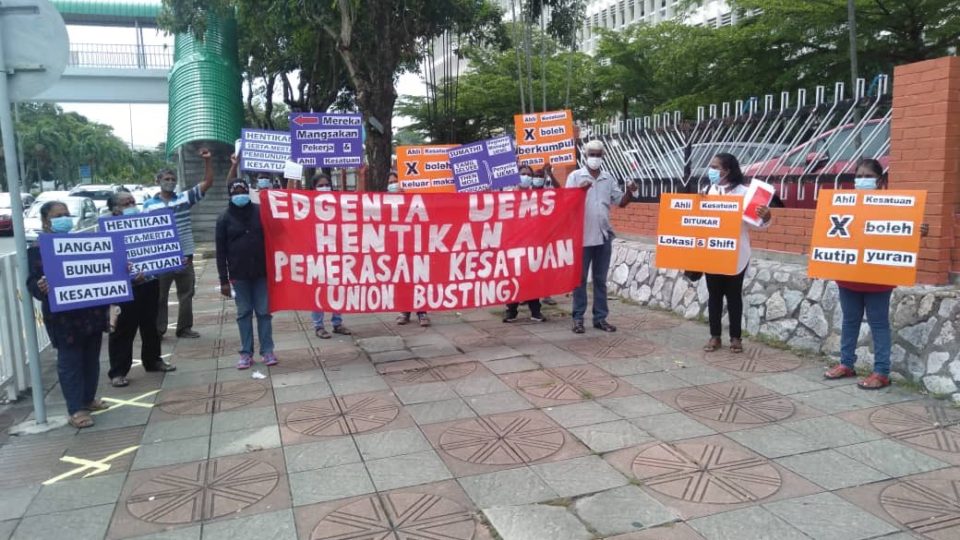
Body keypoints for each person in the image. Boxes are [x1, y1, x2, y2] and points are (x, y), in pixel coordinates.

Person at [824, 158, 928, 389]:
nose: (862, 180)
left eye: (868, 176)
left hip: (878, 278)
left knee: (878, 324)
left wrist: (918, 231)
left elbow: (901, 233)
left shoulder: (893, 204)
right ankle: (846, 364)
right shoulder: (843, 204)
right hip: (849, 274)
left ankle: (881, 372)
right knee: (849, 321)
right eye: (858, 176)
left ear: (880, 180)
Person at [27, 201, 110, 428]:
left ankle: (88, 399)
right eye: (58, 215)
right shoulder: (38, 248)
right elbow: (33, 282)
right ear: (46, 221)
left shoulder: (82, 243)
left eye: (66, 214)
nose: (64, 218)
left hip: (91, 313)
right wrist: (41, 287)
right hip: (64, 319)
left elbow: (102, 269)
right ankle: (75, 410)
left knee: (91, 360)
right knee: (71, 362)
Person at [565, 140, 639, 334]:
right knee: (579, 280)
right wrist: (579, 191)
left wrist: (630, 192)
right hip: (582, 237)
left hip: (603, 235)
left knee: (600, 279)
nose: (595, 158)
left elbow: (620, 202)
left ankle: (600, 318)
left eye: (598, 155)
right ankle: (578, 318)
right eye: (592, 154)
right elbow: (566, 205)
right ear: (585, 155)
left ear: (603, 157)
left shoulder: (608, 178)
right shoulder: (575, 177)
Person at [701, 153, 772, 354]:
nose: (711, 170)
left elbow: (756, 225)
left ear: (727, 170)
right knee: (714, 296)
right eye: (711, 166)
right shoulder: (707, 191)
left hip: (737, 254)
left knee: (733, 297)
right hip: (712, 251)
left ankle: (735, 337)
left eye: (715, 167)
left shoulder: (745, 193)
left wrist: (766, 217)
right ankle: (715, 336)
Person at [105, 191, 175, 387]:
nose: (132, 205)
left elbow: (159, 248)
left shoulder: (146, 223)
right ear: (115, 209)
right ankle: (118, 371)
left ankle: (153, 360)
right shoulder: (108, 230)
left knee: (150, 325)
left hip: (149, 282)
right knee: (122, 330)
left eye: (133, 201)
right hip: (124, 287)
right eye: (126, 203)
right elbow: (106, 259)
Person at [144, 148, 215, 339]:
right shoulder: (148, 206)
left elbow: (208, 183)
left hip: (184, 254)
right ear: (157, 181)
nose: (170, 182)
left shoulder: (184, 198)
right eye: (166, 179)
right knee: (160, 296)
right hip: (161, 257)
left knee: (186, 293)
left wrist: (207, 161)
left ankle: (184, 328)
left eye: (172, 179)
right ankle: (158, 330)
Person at [216, 179, 277, 369]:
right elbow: (220, 252)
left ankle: (267, 351)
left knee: (264, 312)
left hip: (262, 273)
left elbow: (277, 233)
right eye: (236, 192)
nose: (239, 195)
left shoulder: (261, 211)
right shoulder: (224, 218)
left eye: (243, 191)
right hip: (239, 274)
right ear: (230, 195)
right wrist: (223, 280)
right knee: (243, 313)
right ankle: (246, 353)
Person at [310, 174, 352, 338]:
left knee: (337, 289)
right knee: (318, 290)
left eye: (327, 184)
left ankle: (337, 322)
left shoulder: (338, 203)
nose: (324, 187)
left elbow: (359, 202)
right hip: (316, 254)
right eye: (320, 185)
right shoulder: (309, 204)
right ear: (314, 188)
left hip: (335, 253)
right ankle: (318, 325)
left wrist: (362, 176)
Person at [504, 165, 546, 323]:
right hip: (512, 243)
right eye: (523, 174)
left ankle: (535, 311)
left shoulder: (536, 196)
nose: (526, 177)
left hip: (532, 243)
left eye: (529, 174)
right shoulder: (506, 196)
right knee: (512, 277)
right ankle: (511, 310)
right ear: (516, 175)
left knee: (533, 277)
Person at [387, 174, 431, 326]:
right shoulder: (383, 201)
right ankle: (404, 311)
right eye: (390, 182)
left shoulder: (413, 198)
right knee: (402, 279)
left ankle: (422, 311)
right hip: (396, 246)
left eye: (395, 181)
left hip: (414, 244)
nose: (393, 185)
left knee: (418, 276)